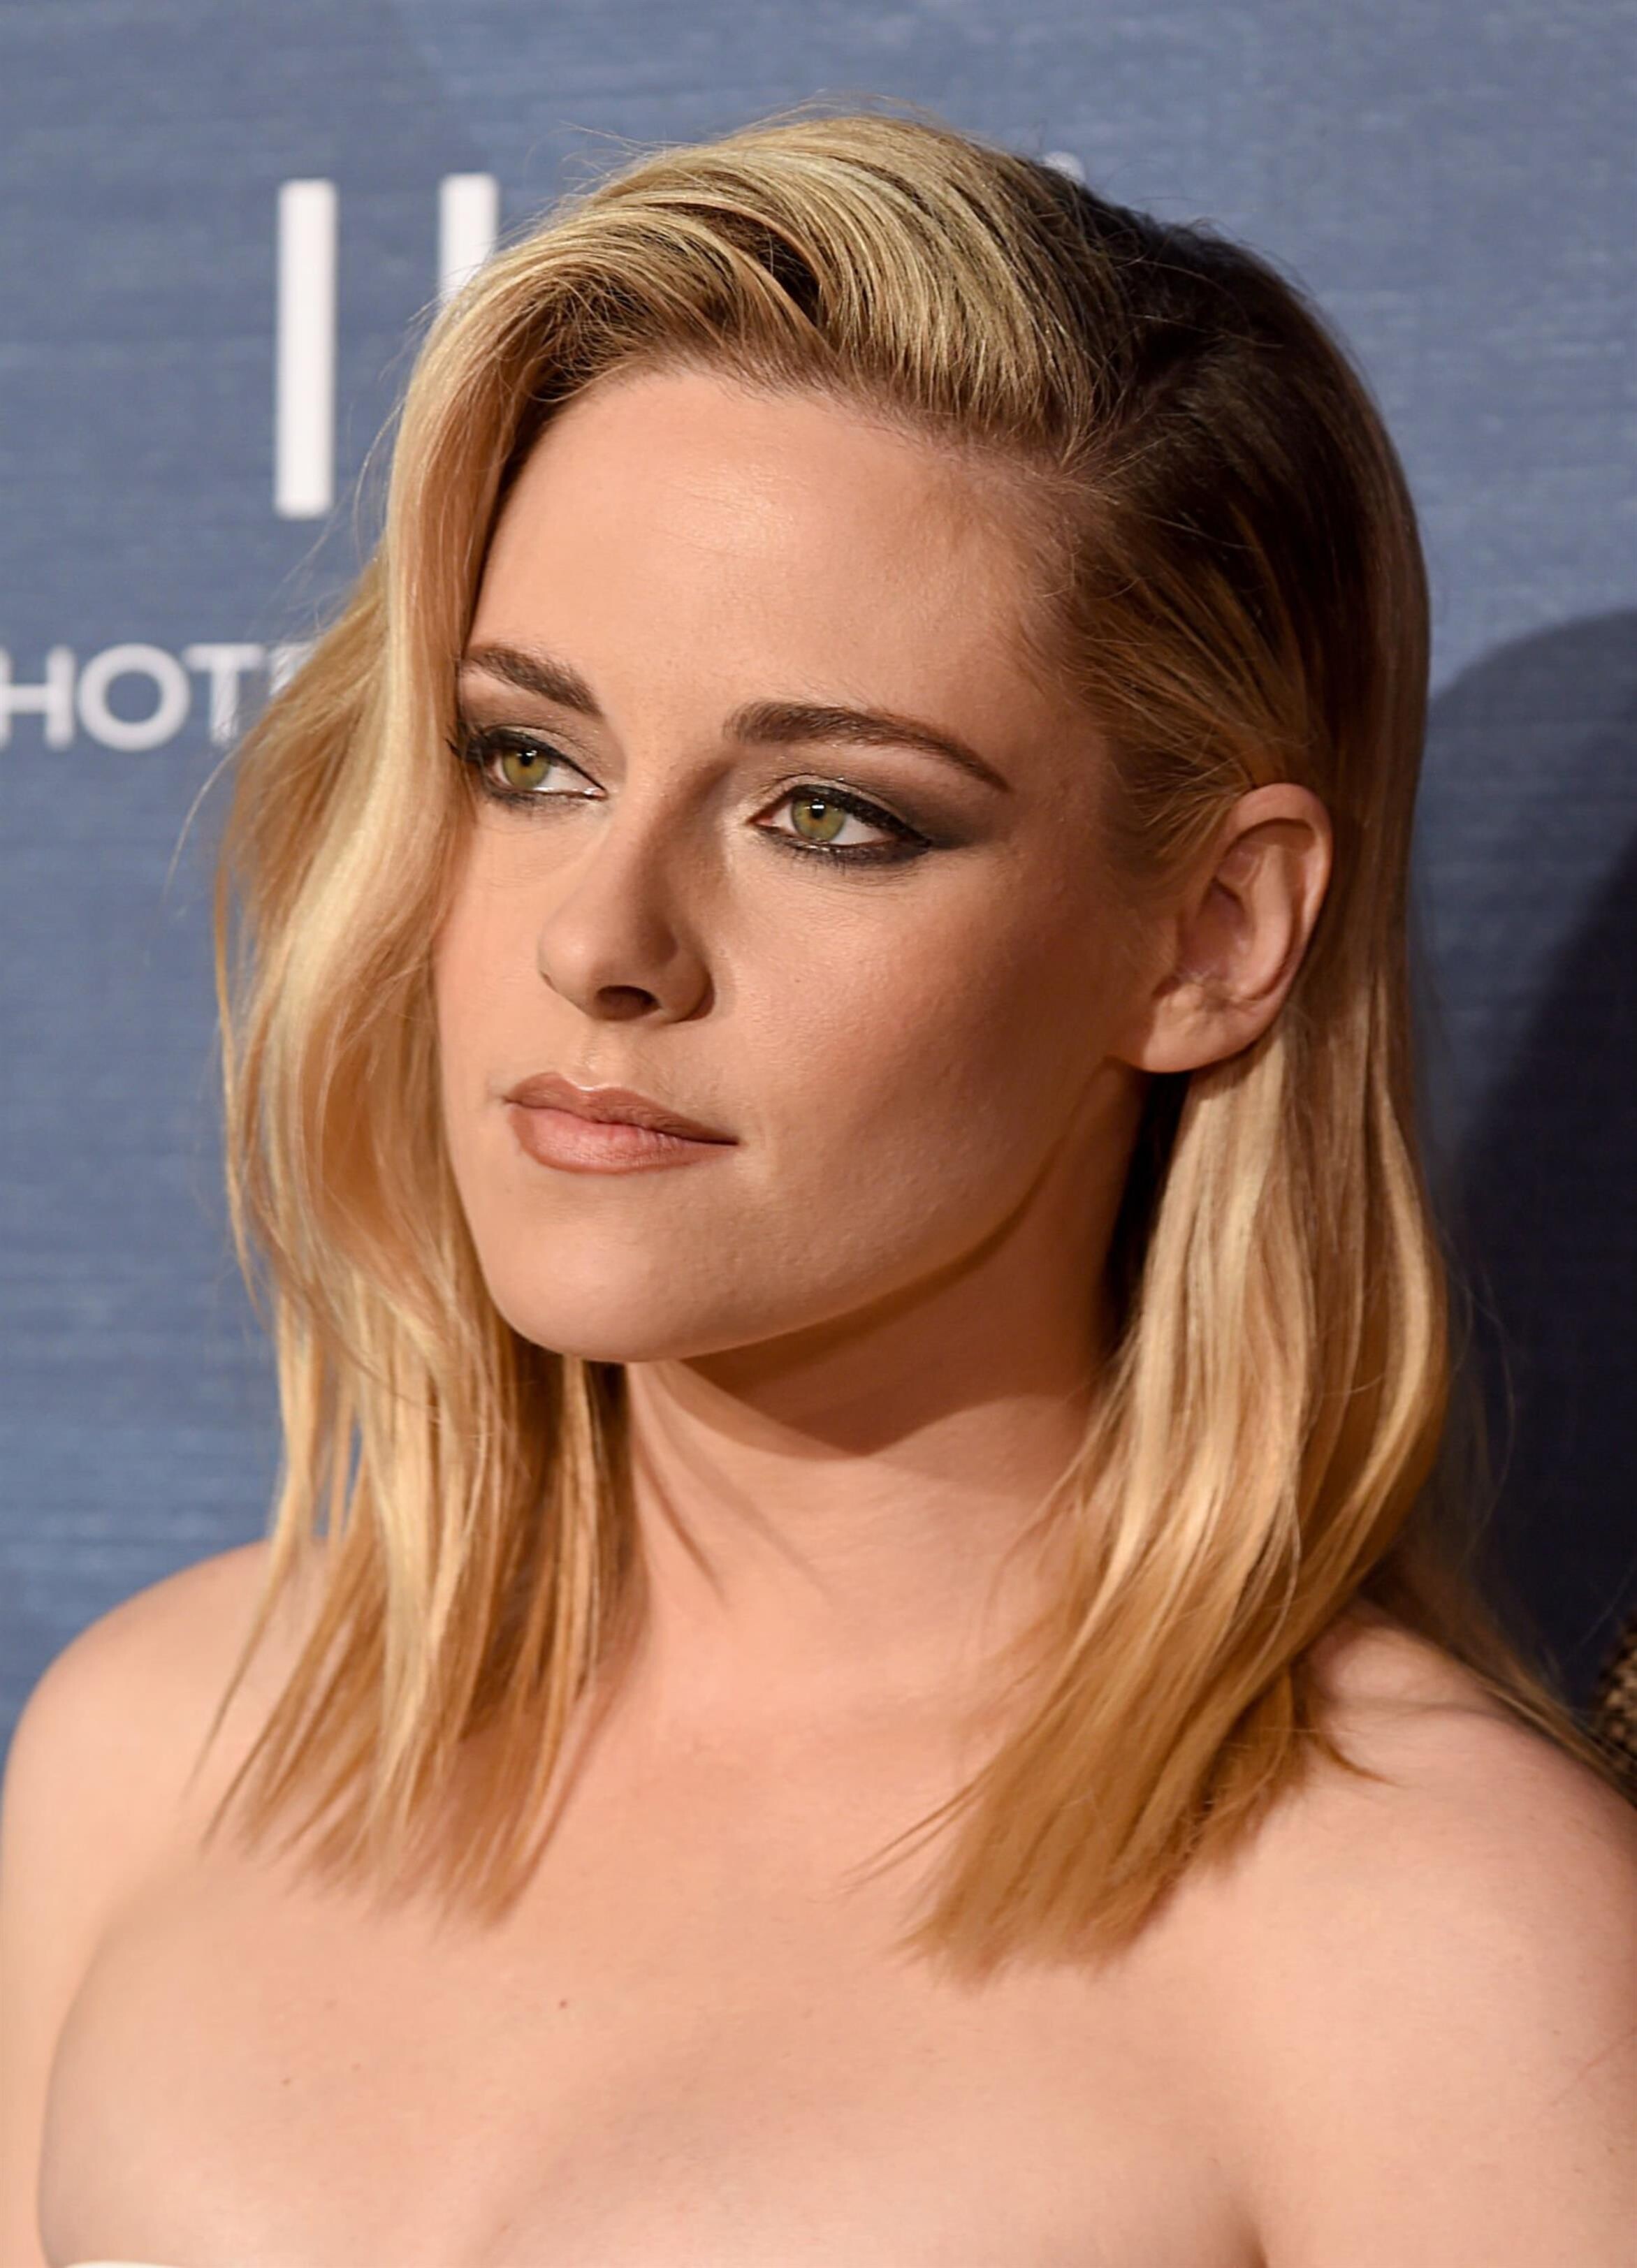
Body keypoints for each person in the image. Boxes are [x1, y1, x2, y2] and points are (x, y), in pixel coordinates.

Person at [2, 103, 1634, 2267]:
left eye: (833, 816)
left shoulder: (1436, 1944)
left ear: (1211, 935)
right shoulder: (157, 1748)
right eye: (528, 761)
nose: (604, 943)